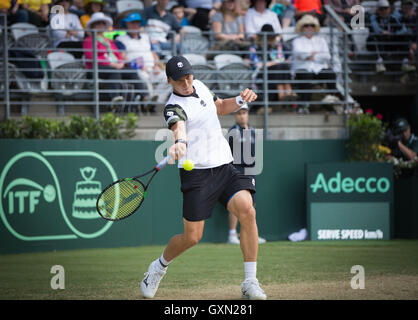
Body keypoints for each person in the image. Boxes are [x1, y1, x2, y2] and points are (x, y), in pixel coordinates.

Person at [140, 55, 267, 300]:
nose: (186, 83)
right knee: (192, 237)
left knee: (247, 210)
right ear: (169, 81)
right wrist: (180, 143)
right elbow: (179, 126)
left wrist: (240, 100)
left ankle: (250, 282)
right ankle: (158, 267)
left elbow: (219, 107)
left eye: (188, 76)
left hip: (224, 166)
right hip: (197, 176)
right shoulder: (172, 106)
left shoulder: (200, 86)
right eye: (180, 81)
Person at [82, 12, 143, 111]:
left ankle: (144, 97)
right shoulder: (89, 40)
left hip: (113, 67)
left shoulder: (108, 41)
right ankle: (115, 98)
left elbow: (117, 55)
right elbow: (91, 57)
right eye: (98, 23)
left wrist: (120, 63)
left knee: (132, 72)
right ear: (93, 26)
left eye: (102, 23)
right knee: (113, 71)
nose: (101, 25)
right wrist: (112, 64)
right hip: (96, 68)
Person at [226, 104, 266, 245]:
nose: (242, 116)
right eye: (239, 113)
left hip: (251, 172)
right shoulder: (233, 132)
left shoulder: (254, 131)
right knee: (237, 203)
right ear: (235, 116)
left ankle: (250, 235)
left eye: (244, 113)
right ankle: (232, 234)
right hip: (237, 171)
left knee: (251, 203)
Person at [116, 12, 168, 113]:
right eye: (132, 23)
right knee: (144, 77)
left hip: (153, 68)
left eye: (137, 23)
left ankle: (155, 102)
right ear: (126, 24)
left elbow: (154, 54)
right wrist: (140, 66)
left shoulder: (145, 37)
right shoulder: (120, 40)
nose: (135, 25)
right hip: (136, 69)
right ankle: (149, 102)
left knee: (168, 78)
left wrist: (156, 65)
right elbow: (123, 58)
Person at [292, 14, 340, 114]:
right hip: (302, 69)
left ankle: (331, 100)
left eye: (312, 25)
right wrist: (315, 55)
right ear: (302, 28)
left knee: (330, 73)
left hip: (318, 68)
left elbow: (327, 56)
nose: (309, 27)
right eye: (306, 25)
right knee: (305, 76)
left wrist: (311, 56)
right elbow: (299, 53)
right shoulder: (297, 41)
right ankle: (305, 105)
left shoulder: (321, 40)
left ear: (314, 28)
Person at [250, 23, 296, 106]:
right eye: (267, 37)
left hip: (275, 70)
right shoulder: (254, 48)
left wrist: (271, 63)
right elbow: (258, 65)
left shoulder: (276, 46)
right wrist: (274, 63)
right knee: (280, 66)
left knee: (282, 66)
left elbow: (281, 59)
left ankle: (286, 93)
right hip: (260, 73)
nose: (269, 39)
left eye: (271, 37)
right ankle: (284, 93)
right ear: (261, 37)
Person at [366, 0, 404, 73]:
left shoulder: (393, 18)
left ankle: (405, 62)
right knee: (374, 38)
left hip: (388, 42)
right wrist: (382, 32)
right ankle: (380, 63)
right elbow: (376, 29)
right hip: (377, 42)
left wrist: (393, 33)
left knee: (403, 37)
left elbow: (402, 29)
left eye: (385, 8)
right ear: (378, 10)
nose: (384, 11)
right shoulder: (373, 17)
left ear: (389, 9)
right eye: (381, 9)